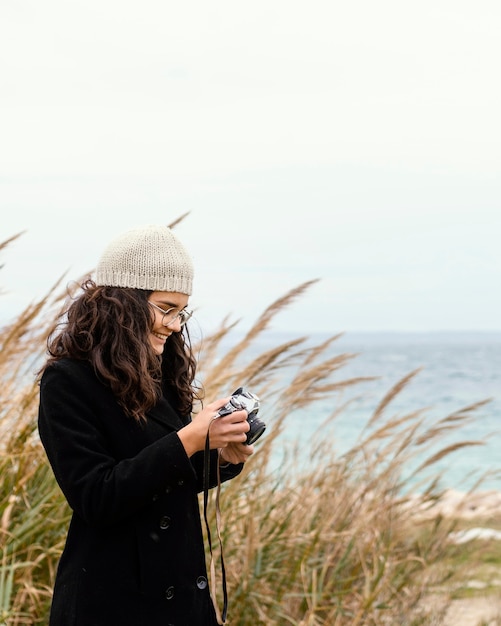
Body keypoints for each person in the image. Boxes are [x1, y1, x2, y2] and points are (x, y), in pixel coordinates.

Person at [38, 224, 254, 626]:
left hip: (182, 597)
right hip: (112, 600)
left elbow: (163, 483)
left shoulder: (161, 372)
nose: (175, 325)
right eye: (166, 308)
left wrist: (222, 459)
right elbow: (96, 498)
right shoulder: (67, 381)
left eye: (181, 312)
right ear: (122, 303)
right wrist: (189, 438)